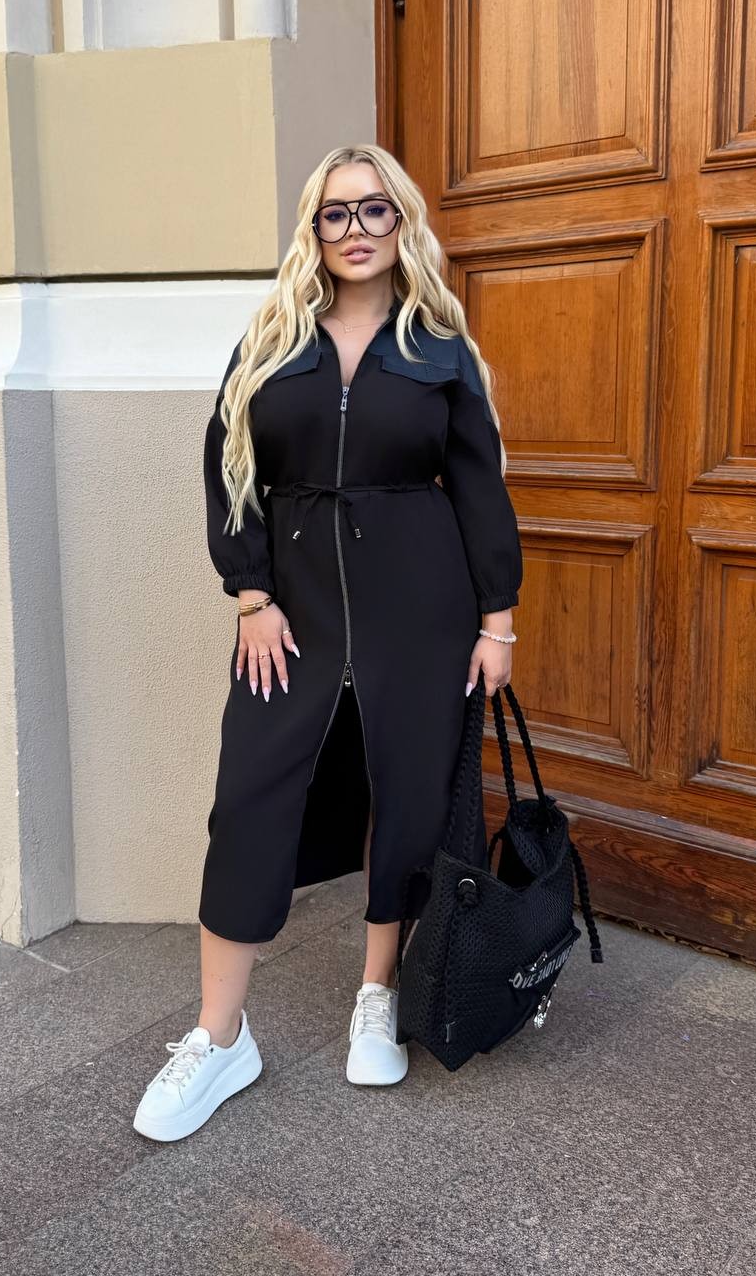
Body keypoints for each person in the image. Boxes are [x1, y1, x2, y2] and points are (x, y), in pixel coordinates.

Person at [133, 143, 523, 1142]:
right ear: (314, 229)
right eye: (336, 213)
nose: (356, 229)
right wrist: (250, 591)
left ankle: (375, 994)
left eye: (374, 209)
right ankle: (220, 1035)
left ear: (403, 222)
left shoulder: (439, 348)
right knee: (248, 800)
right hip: (292, 613)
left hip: (421, 607)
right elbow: (229, 464)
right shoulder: (272, 339)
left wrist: (497, 619)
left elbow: (479, 489)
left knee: (407, 795)